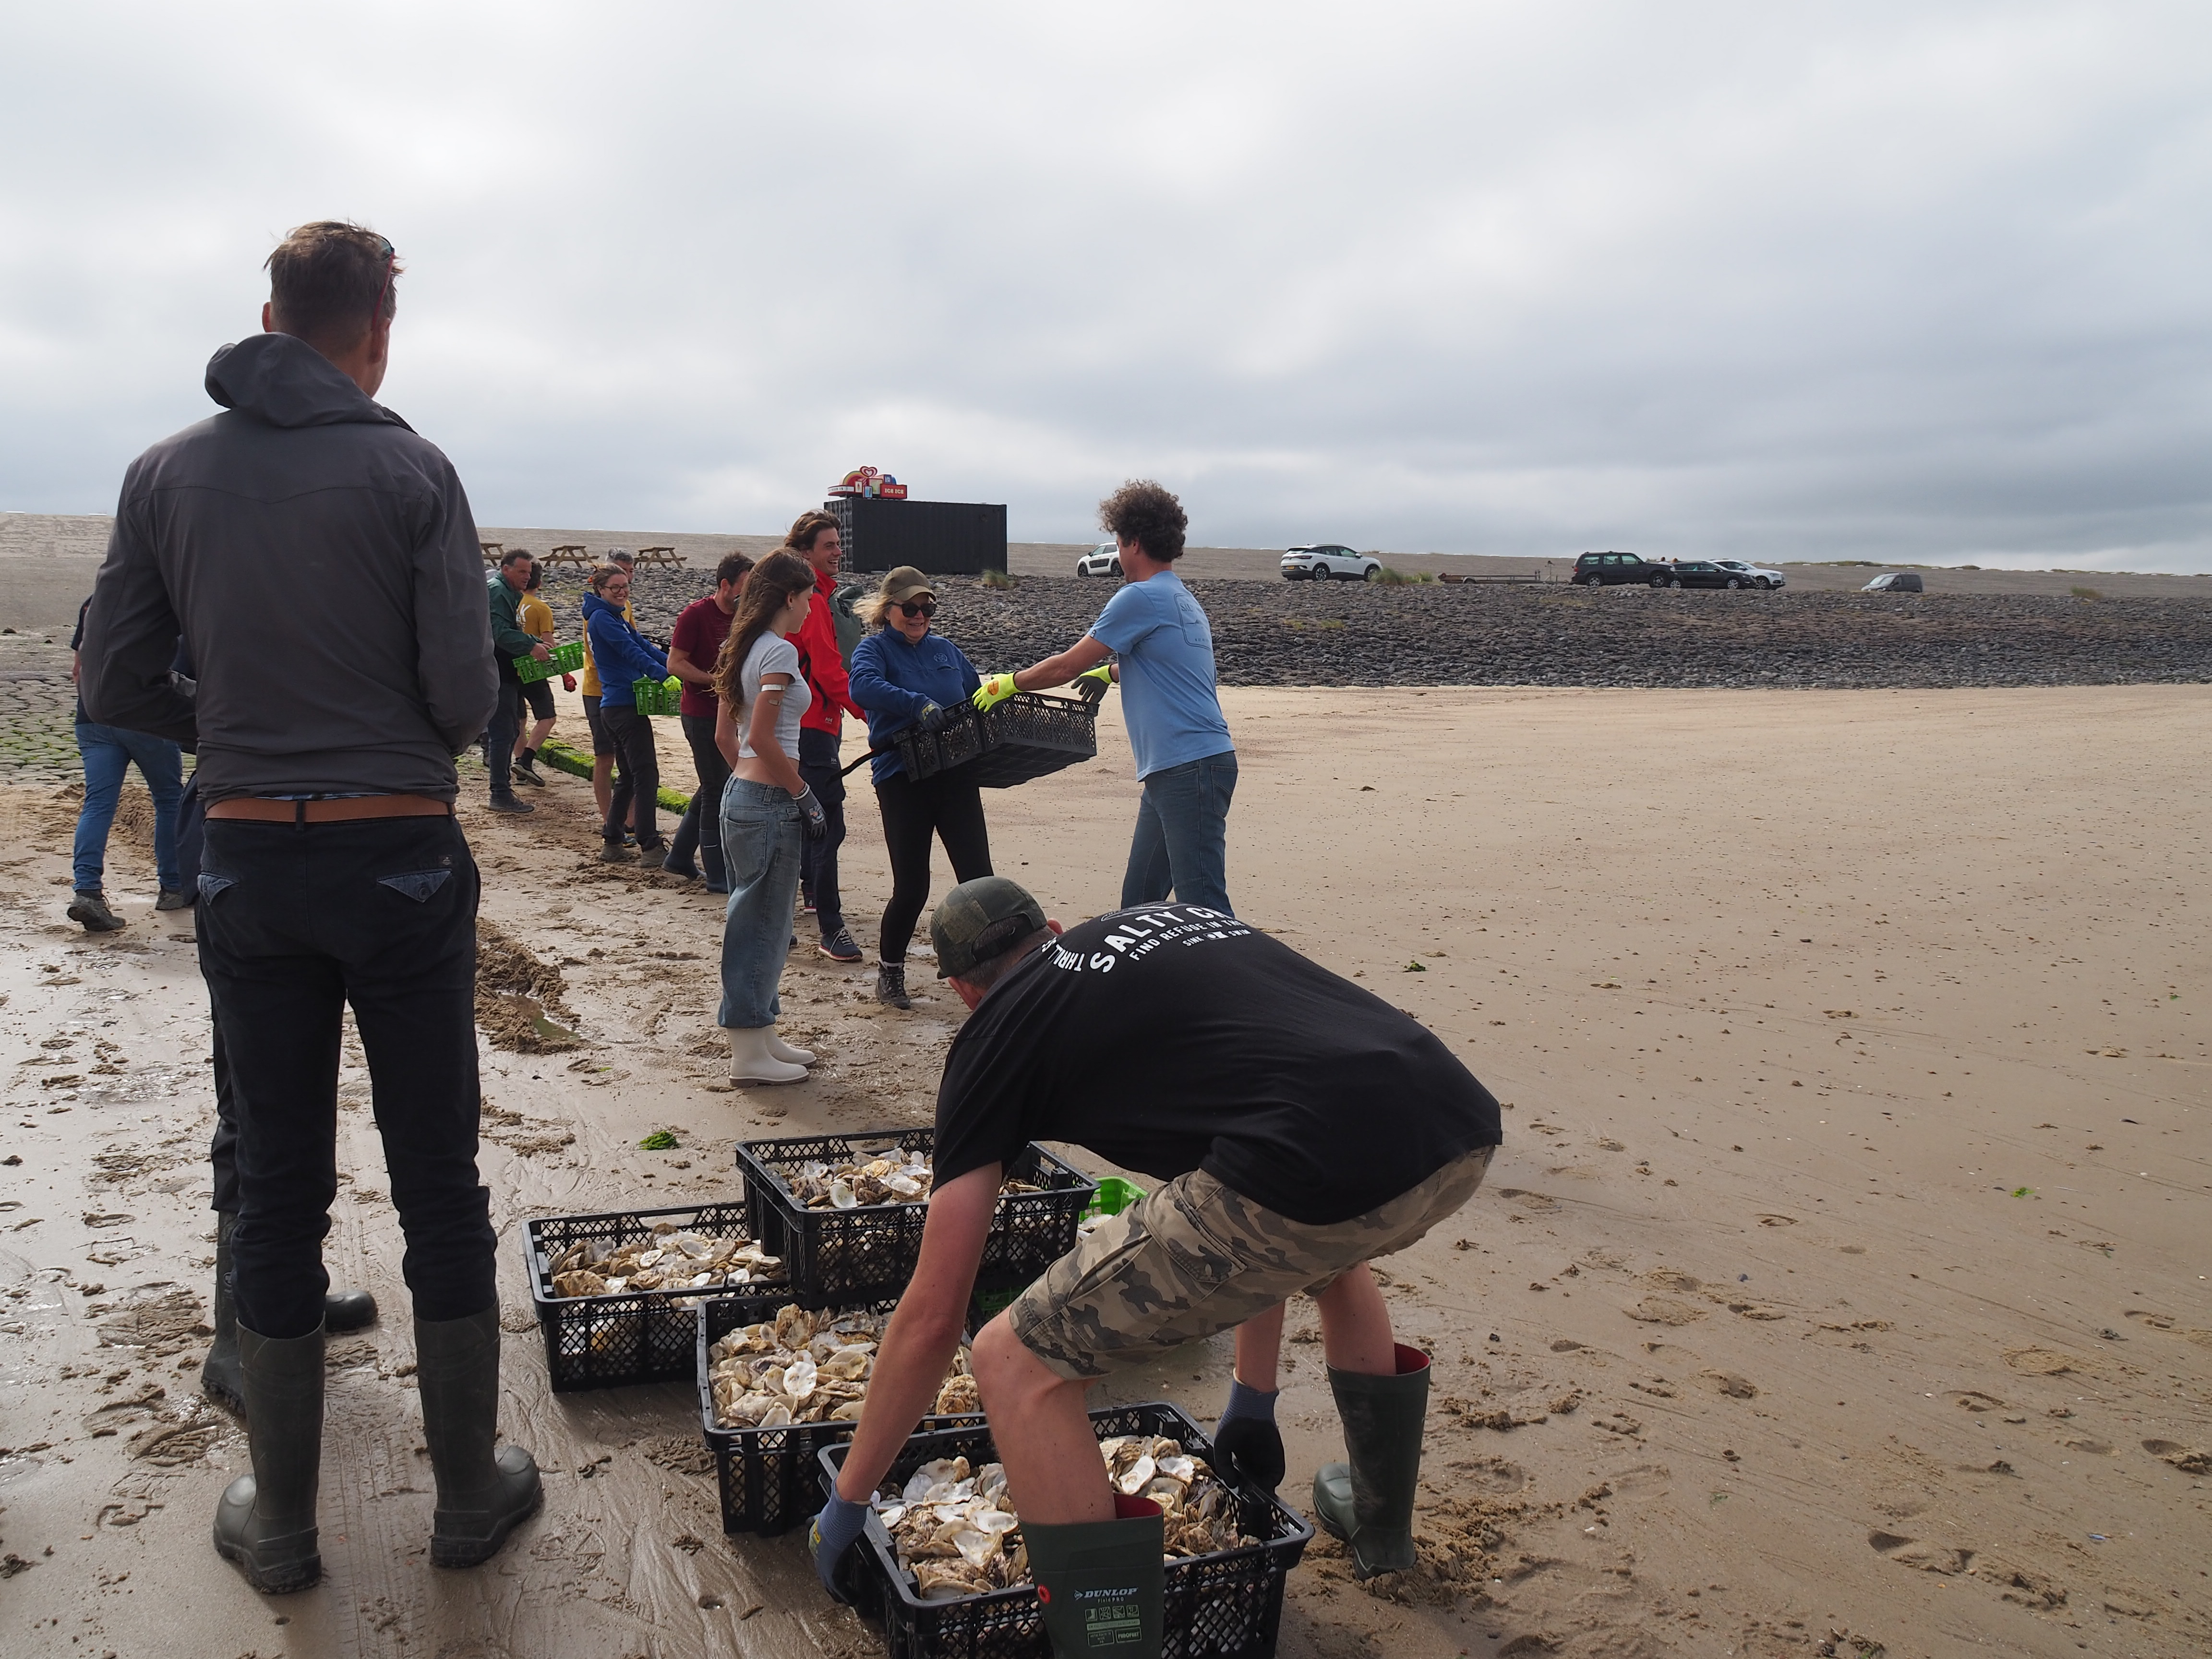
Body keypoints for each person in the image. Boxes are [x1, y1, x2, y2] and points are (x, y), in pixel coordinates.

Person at [79, 220, 540, 1593]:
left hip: (244, 856)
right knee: (437, 1173)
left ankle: (280, 1520)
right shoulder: (414, 469)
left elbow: (113, 679)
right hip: (397, 849)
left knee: (277, 1179)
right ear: (378, 332)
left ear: (270, 317)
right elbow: (462, 695)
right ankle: (467, 1494)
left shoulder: (164, 472)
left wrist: (228, 726)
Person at [809, 878, 1502, 1650]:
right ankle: (1382, 1531)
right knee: (1326, 1247)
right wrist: (1253, 1398)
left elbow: (936, 1315)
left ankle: (1111, 1642)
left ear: (963, 991)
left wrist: (850, 1499)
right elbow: (1256, 1163)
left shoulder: (993, 1035)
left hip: (1304, 1166)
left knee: (1012, 1362)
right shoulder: (1171, 920)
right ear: (1054, 929)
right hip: (1453, 1123)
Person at [974, 481, 1236, 915]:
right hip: (1177, 768)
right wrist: (1113, 672)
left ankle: (1235, 964)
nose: (1118, 551)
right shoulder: (1183, 598)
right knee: (1139, 903)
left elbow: (1066, 667)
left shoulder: (1140, 597)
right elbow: (1180, 670)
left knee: (1204, 906)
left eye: (1118, 541)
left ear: (1134, 543)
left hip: (1189, 768)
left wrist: (1010, 683)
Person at [845, 565, 991, 1010]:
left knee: (980, 880)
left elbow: (977, 698)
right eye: (910, 608)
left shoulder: (946, 651)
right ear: (887, 610)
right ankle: (890, 971)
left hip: (955, 774)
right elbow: (861, 687)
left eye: (927, 608)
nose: (920, 616)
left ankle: (992, 973)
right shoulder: (874, 650)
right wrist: (917, 705)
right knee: (912, 887)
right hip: (901, 777)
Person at [710, 551, 829, 1084]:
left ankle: (763, 1034)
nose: (810, 609)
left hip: (742, 795)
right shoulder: (778, 651)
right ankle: (747, 1052)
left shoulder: (741, 647)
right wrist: (802, 794)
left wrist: (748, 783)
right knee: (761, 925)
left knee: (766, 921)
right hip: (767, 802)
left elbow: (727, 737)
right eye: (808, 599)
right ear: (789, 596)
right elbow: (759, 736)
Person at [66, 595, 186, 929]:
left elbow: (78, 671)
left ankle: (87, 891)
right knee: (168, 799)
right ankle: (173, 886)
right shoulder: (166, 601)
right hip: (146, 717)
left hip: (93, 716)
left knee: (98, 804)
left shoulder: (93, 603)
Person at [786, 511, 867, 963]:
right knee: (826, 824)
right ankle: (831, 930)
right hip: (813, 726)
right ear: (805, 553)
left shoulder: (792, 597)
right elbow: (830, 672)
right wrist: (872, 713)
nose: (839, 552)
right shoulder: (812, 601)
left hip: (794, 726)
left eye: (839, 544)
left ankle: (799, 906)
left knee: (796, 821)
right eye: (829, 546)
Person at [663, 552, 752, 890]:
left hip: (732, 714)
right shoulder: (695, 614)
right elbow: (675, 664)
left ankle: (679, 857)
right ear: (725, 585)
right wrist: (715, 681)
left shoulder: (746, 616)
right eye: (744, 587)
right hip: (700, 713)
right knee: (716, 787)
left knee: (710, 783)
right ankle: (717, 874)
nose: (747, 595)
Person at [581, 562, 669, 863]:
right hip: (623, 707)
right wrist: (665, 677)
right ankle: (650, 845)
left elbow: (643, 645)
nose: (622, 592)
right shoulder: (602, 618)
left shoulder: (614, 616)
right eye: (615, 588)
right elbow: (630, 653)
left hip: (618, 706)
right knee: (646, 774)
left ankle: (613, 839)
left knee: (630, 775)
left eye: (625, 586)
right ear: (600, 590)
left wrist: (675, 664)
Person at [575, 547, 637, 828]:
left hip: (622, 690)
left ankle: (630, 820)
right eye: (622, 573)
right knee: (605, 756)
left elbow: (635, 642)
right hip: (598, 689)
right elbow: (612, 651)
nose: (627, 581)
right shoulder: (597, 612)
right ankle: (609, 820)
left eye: (630, 574)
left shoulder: (624, 605)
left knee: (629, 761)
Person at [484, 548, 550, 812]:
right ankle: (500, 793)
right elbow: (499, 632)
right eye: (522, 571)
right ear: (505, 570)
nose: (527, 577)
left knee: (509, 729)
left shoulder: (507, 591)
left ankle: (501, 790)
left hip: (502, 670)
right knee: (503, 732)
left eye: (529, 572)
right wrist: (531, 646)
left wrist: (534, 642)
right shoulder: (498, 591)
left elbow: (508, 630)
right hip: (497, 670)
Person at [509, 557, 567, 785]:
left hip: (510, 666)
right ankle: (526, 760)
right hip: (533, 669)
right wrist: (564, 672)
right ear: (540, 583)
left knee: (519, 719)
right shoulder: (541, 608)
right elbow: (549, 644)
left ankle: (519, 764)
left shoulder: (511, 602)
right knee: (547, 717)